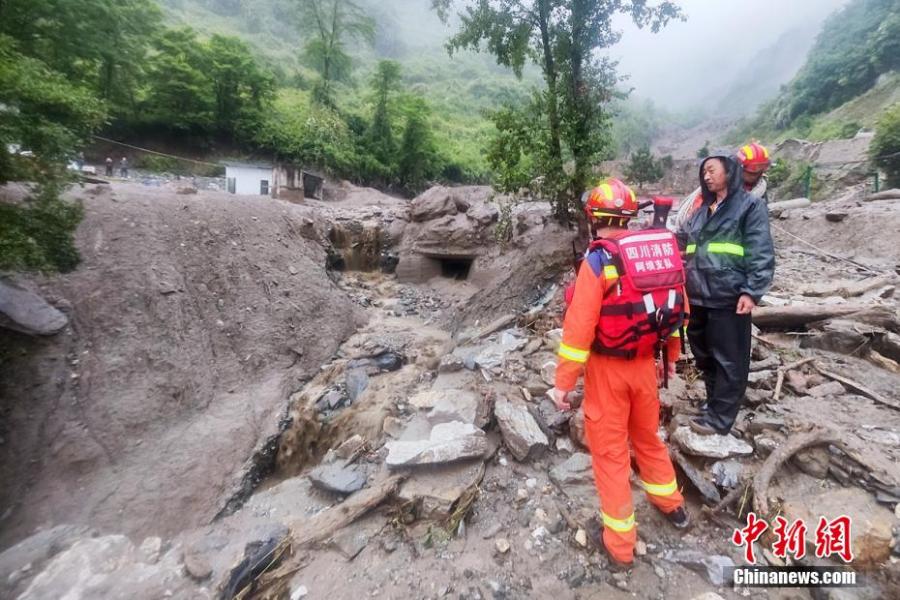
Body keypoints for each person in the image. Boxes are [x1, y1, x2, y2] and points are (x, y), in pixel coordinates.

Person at [551, 178, 690, 569]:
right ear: (629, 216)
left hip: (608, 371)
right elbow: (677, 307)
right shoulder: (655, 253)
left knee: (611, 453)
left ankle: (620, 546)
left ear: (593, 217)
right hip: (646, 366)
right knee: (648, 438)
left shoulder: (599, 260)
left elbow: (578, 328)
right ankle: (673, 506)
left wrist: (563, 384)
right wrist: (671, 356)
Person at [681, 153, 775, 436]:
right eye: (704, 172)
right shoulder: (701, 211)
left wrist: (751, 291)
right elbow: (683, 243)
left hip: (728, 296)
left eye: (712, 170)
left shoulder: (750, 206)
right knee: (704, 355)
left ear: (730, 171)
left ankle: (721, 419)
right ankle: (713, 405)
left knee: (729, 359)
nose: (706, 176)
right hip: (697, 295)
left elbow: (760, 251)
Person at [674, 142, 772, 231]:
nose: (757, 175)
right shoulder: (719, 189)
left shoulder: (759, 193)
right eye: (752, 172)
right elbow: (696, 218)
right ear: (739, 168)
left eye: (760, 171)